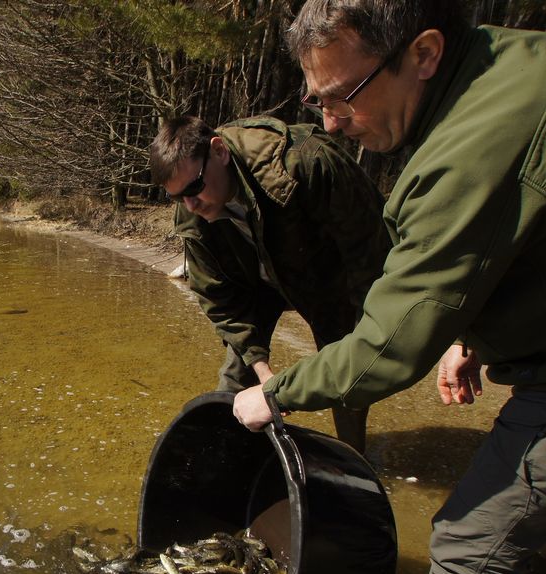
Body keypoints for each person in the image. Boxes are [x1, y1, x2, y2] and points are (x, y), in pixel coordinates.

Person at [231, 0, 546, 574]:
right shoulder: (506, 61)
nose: (331, 122)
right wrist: (474, 337)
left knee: (468, 547)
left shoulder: (469, 150)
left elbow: (388, 349)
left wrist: (274, 395)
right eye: (314, 100)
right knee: (531, 493)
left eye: (342, 96)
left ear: (423, 54)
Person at [149, 115, 391, 453]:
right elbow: (220, 299)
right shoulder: (192, 211)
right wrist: (266, 377)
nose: (189, 205)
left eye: (193, 188)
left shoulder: (305, 162)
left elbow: (372, 247)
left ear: (219, 152)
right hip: (255, 285)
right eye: (177, 198)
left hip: (325, 280)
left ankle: (352, 463)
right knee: (236, 375)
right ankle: (225, 459)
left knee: (348, 382)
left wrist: (371, 328)